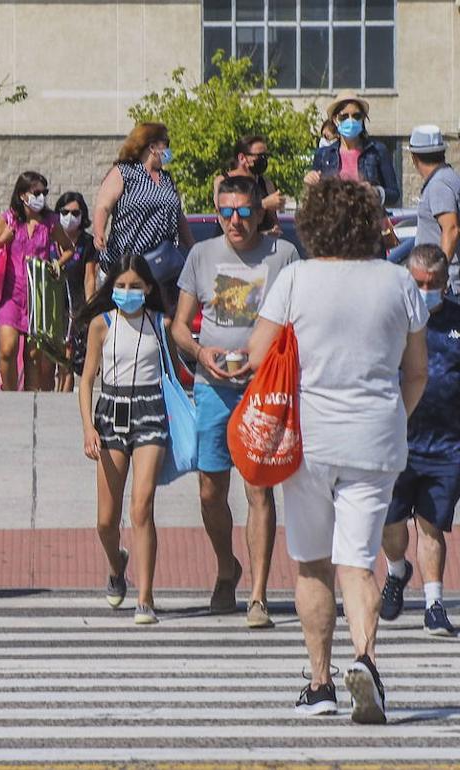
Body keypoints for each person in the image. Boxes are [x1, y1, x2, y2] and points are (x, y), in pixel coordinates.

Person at [247, 178, 428, 723]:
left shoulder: (296, 279)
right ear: (370, 224)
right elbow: (416, 372)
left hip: (308, 438)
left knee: (311, 562)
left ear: (315, 224)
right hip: (375, 437)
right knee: (358, 560)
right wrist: (393, 415)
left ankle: (321, 683)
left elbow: (259, 355)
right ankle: (366, 661)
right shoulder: (400, 282)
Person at [172, 176, 300, 629]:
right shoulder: (201, 255)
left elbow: (297, 321)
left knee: (259, 488)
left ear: (259, 212)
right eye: (226, 212)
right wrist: (199, 351)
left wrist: (266, 358)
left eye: (244, 212)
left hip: (262, 387)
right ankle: (227, 567)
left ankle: (258, 595)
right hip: (212, 384)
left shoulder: (282, 256)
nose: (234, 221)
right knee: (211, 490)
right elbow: (180, 326)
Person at [77, 254, 177, 625]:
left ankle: (145, 597)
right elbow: (87, 379)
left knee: (142, 506)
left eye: (135, 286)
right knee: (106, 520)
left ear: (149, 288)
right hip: (111, 413)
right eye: (120, 285)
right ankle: (117, 564)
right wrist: (89, 427)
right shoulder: (102, 324)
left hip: (150, 410)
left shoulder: (159, 323)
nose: (127, 292)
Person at [380, 244, 459, 637]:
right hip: (397, 440)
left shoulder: (457, 319)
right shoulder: (391, 319)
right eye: (419, 283)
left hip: (447, 444)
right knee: (391, 523)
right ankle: (397, 570)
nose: (426, 290)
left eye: (434, 283)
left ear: (446, 283)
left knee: (431, 525)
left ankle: (433, 604)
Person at [0, 172, 75, 391]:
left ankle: (30, 397)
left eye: (44, 192)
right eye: (36, 192)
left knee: (33, 355)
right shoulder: (9, 219)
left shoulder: (50, 222)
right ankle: (10, 394)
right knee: (7, 349)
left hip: (37, 296)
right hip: (10, 294)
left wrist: (57, 264)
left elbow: (69, 249)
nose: (41, 197)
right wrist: (3, 239)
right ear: (22, 195)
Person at [94, 122, 195, 311]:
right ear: (152, 146)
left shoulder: (166, 179)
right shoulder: (124, 173)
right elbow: (103, 205)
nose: (169, 149)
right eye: (166, 143)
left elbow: (179, 216)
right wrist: (99, 230)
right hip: (129, 262)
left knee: (161, 318)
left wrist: (192, 247)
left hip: (162, 267)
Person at [304, 92, 400, 207]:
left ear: (363, 118)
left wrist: (375, 192)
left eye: (356, 116)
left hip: (368, 220)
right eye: (344, 116)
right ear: (335, 120)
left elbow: (394, 195)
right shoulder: (324, 154)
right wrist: (310, 181)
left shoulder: (377, 151)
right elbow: (315, 198)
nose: (350, 121)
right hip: (333, 221)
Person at [405, 125, 460, 294]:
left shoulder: (439, 184)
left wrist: (438, 276)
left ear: (414, 158)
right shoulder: (448, 178)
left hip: (445, 285)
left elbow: (451, 229)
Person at [55, 192, 99, 392]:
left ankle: (63, 396)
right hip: (51, 304)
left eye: (75, 212)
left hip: (75, 305)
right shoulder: (50, 239)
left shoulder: (87, 243)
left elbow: (90, 277)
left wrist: (89, 310)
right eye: (65, 212)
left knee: (68, 357)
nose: (70, 216)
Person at [212, 135, 285, 233]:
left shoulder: (266, 184)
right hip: (231, 244)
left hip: (261, 244)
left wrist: (274, 229)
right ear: (242, 158)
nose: (263, 160)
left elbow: (273, 219)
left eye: (265, 156)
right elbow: (223, 213)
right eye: (259, 156)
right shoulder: (223, 181)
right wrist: (262, 204)